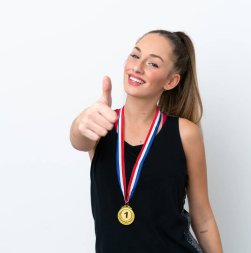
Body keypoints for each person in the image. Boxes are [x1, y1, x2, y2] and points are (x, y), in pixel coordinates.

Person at [70, 29, 223, 253]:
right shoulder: (100, 124)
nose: (137, 67)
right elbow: (79, 139)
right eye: (135, 55)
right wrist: (81, 122)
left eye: (153, 64)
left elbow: (203, 217)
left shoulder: (185, 134)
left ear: (171, 81)